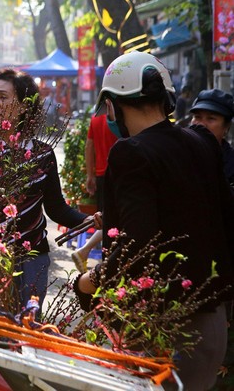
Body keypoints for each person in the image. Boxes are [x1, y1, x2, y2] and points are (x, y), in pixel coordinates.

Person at [74, 51, 234, 390]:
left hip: (164, 326)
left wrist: (89, 281)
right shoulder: (202, 139)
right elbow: (225, 218)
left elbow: (138, 245)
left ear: (114, 106)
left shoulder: (130, 152)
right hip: (213, 320)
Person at [0, 67, 101, 311]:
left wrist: (90, 220)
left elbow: (56, 208)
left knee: (29, 327)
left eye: (3, 97)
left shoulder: (43, 154)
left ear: (24, 106)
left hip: (34, 256)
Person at [71, 112, 118, 272]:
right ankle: (105, 265)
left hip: (101, 175)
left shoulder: (96, 119)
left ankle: (93, 256)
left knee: (105, 219)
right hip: (119, 174)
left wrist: (90, 175)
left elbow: (89, 146)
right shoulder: (121, 117)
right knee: (113, 220)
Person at [189, 88, 234, 191]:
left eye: (211, 119)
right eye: (197, 117)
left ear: (226, 127)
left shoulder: (231, 165)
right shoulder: (176, 157)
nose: (201, 124)